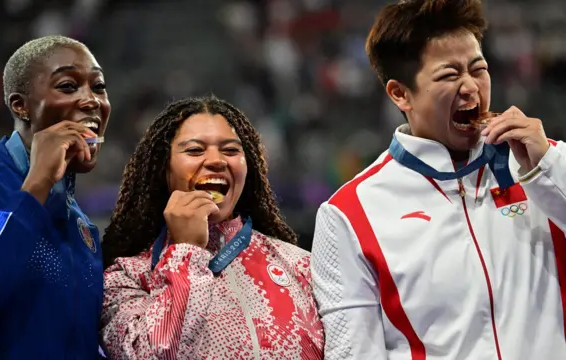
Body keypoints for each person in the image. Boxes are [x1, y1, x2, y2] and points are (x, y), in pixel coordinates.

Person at [311, 0, 566, 359]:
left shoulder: (543, 165)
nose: (471, 88)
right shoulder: (349, 215)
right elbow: (353, 352)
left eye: (478, 69)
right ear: (400, 94)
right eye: (449, 75)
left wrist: (551, 167)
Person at [0, 35, 111, 359]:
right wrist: (35, 185)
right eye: (68, 86)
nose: (92, 100)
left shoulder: (83, 228)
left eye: (98, 86)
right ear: (20, 105)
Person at [100, 95, 324, 359]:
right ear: (164, 169)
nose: (217, 160)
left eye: (230, 150)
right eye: (195, 150)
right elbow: (152, 354)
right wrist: (186, 252)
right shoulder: (125, 278)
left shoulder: (302, 267)